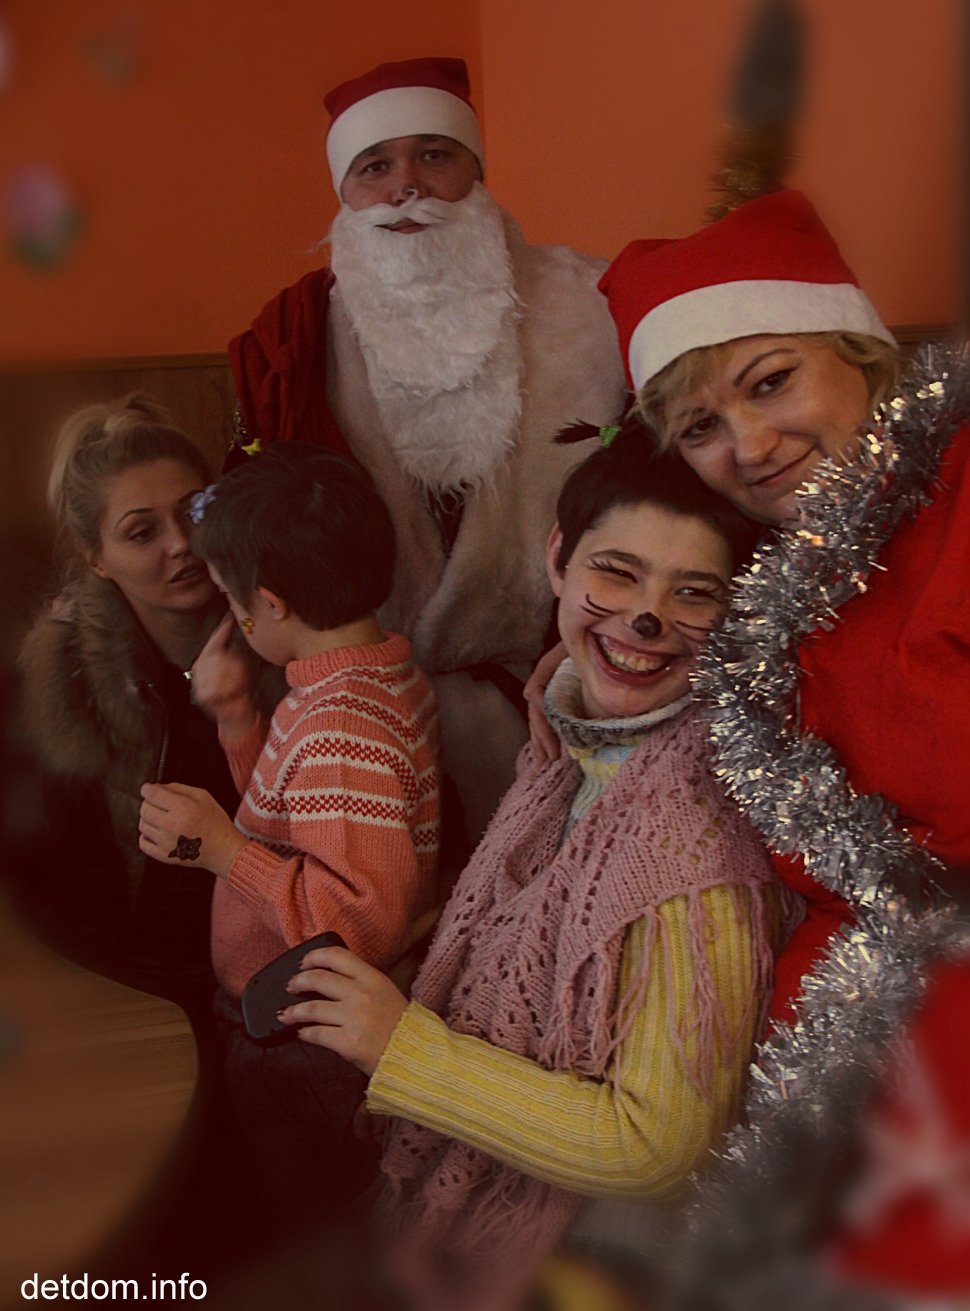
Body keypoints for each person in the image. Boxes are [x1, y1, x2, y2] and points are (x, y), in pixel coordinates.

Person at [277, 439, 780, 1309]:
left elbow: (656, 1148)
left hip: (595, 1261)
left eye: (695, 593)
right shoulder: (571, 749)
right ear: (557, 559)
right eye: (616, 572)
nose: (647, 616)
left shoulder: (692, 838)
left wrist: (404, 1048)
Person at [595, 187, 970, 1300]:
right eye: (699, 429)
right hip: (854, 1043)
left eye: (770, 382)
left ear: (857, 348)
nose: (749, 448)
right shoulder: (764, 586)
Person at [229, 55, 626, 844]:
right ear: (345, 192)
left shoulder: (594, 304)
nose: (405, 187)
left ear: (477, 170)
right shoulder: (296, 336)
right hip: (369, 724)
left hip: (566, 700)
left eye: (434, 156)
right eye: (374, 167)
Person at [10, 394, 278, 1282]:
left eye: (193, 512)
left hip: (277, 952)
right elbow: (64, 894)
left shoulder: (287, 626)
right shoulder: (64, 674)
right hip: (138, 981)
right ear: (93, 555)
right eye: (140, 531)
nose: (180, 545)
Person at [138, 442, 441, 1229]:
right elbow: (304, 823)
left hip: (304, 1041)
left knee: (317, 1221)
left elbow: (358, 923)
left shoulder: (343, 723)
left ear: (268, 605)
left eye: (230, 599)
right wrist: (240, 719)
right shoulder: (370, 678)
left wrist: (221, 851)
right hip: (291, 1023)